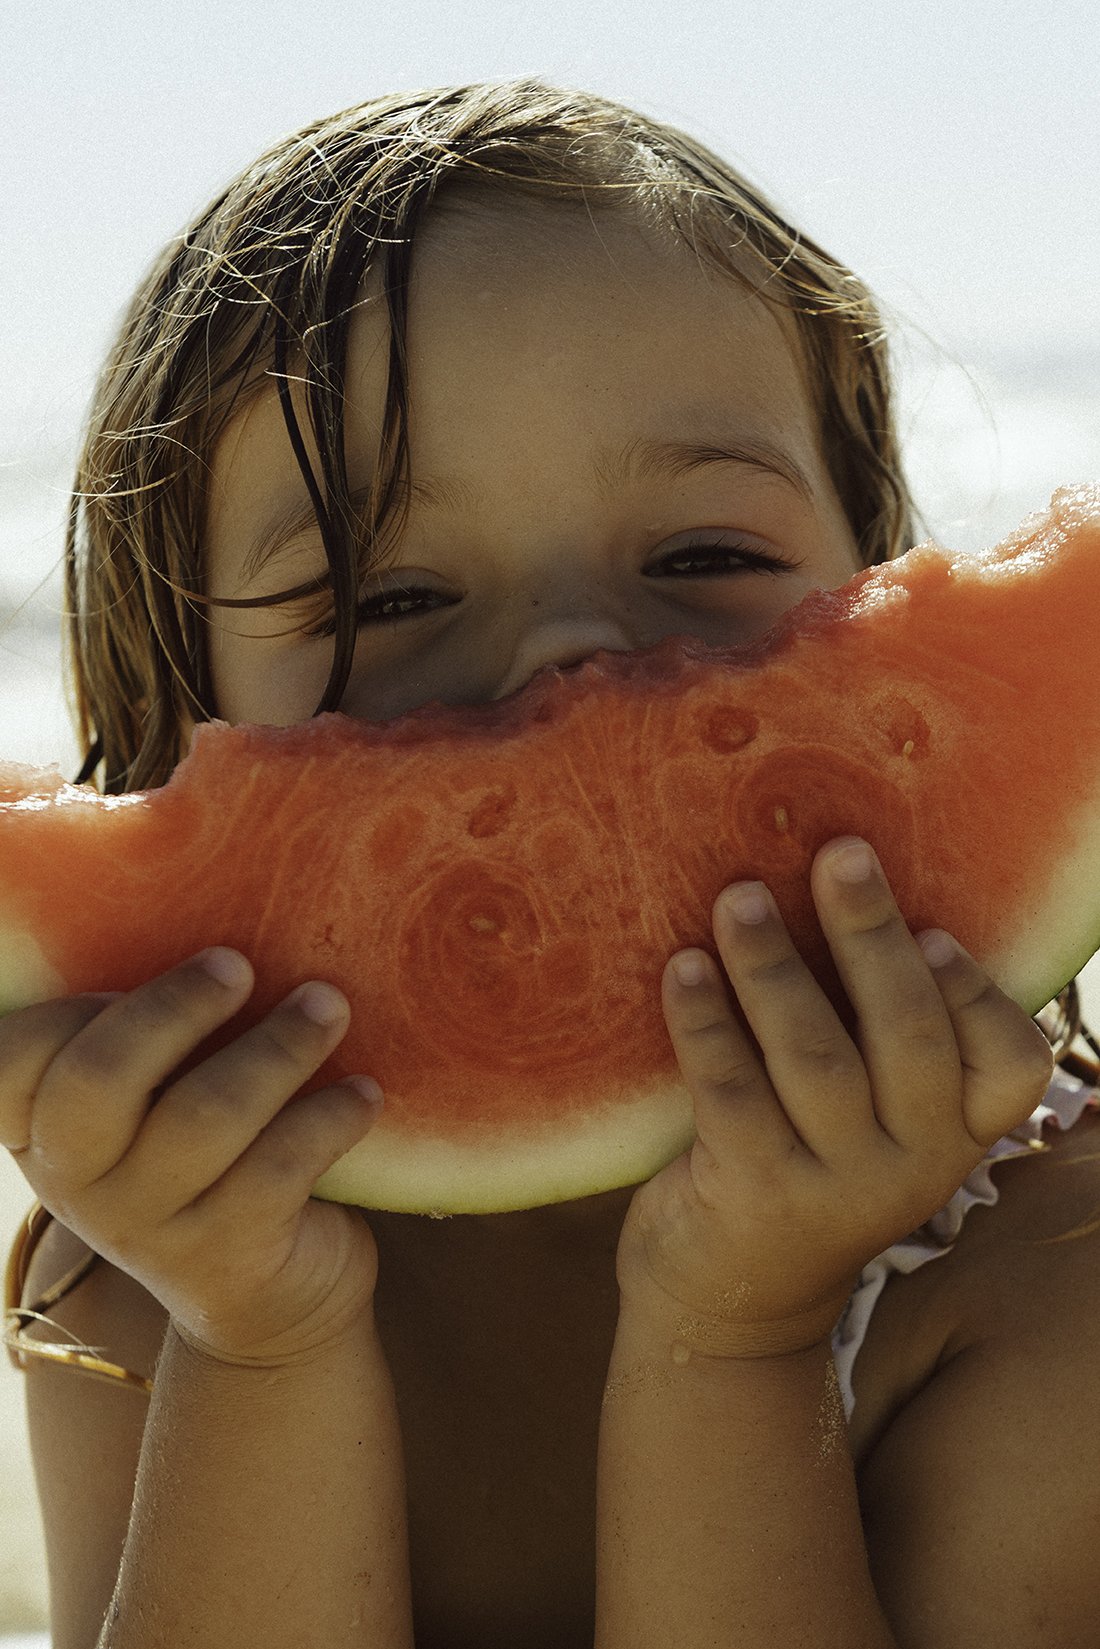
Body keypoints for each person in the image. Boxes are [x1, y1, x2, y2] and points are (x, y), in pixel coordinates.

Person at [3, 77, 1100, 1649]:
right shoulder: (146, 1269)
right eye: (385, 600)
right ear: (175, 712)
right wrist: (258, 1344)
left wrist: (743, 1335)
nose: (577, 662)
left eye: (705, 559)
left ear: (878, 582)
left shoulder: (1043, 1267)